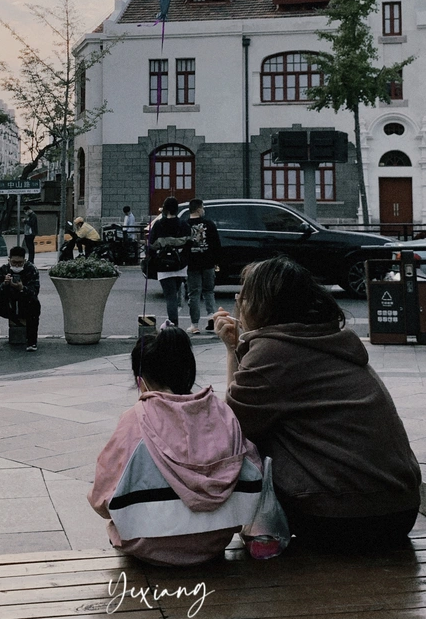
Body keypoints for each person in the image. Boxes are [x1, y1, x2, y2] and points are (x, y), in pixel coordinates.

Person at [215, 255, 422, 554]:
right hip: (399, 511)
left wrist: (232, 351)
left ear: (261, 304)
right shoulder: (331, 339)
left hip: (343, 518)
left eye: (242, 297)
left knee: (255, 443)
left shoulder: (273, 352)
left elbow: (234, 426)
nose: (238, 305)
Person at [87, 326, 265, 565]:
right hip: (214, 540)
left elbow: (101, 499)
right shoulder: (221, 412)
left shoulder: (135, 420)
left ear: (141, 382)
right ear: (187, 372)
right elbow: (253, 466)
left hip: (146, 545)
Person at [0, 245, 41, 351]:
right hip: (7, 305)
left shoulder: (31, 269)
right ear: (9, 260)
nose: (16, 265)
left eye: (20, 263)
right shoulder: (3, 270)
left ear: (24, 260)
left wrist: (22, 288)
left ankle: (32, 342)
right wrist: (4, 284)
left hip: (24, 304)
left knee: (34, 303)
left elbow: (35, 291)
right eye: (14, 262)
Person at [148, 196, 190, 328]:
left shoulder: (158, 224)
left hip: (163, 265)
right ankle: (175, 317)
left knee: (170, 296)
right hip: (179, 265)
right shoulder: (183, 224)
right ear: (177, 209)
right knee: (175, 292)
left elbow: (151, 245)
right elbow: (189, 243)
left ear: (165, 209)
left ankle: (173, 323)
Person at [185, 198, 222, 335]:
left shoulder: (185, 225)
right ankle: (212, 320)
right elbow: (216, 245)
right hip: (208, 263)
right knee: (209, 292)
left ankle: (194, 325)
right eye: (203, 208)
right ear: (199, 209)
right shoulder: (209, 224)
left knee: (194, 294)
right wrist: (216, 262)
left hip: (192, 264)